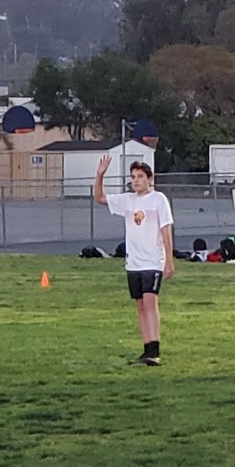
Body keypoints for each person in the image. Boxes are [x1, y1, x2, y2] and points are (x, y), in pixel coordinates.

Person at [94, 156, 175, 366]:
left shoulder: (158, 199)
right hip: (134, 262)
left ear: (150, 179)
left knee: (150, 302)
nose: (136, 180)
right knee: (140, 305)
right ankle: (146, 348)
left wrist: (169, 260)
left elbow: (166, 230)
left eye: (140, 176)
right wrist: (100, 174)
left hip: (152, 261)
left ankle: (155, 350)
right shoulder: (128, 200)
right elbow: (100, 198)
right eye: (133, 177)